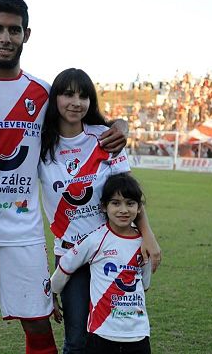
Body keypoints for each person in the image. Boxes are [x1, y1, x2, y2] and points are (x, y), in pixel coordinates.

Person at [0, 0, 154, 353]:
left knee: (38, 324)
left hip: (24, 232)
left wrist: (120, 124)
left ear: (26, 35)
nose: (5, 37)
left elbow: (88, 121)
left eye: (13, 30)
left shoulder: (43, 93)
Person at [38, 68, 160, 353]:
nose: (76, 102)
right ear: (55, 98)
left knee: (114, 336)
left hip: (113, 251)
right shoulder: (41, 144)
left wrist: (148, 237)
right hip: (71, 254)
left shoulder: (105, 138)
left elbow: (129, 194)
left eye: (83, 96)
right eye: (68, 94)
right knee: (77, 340)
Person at [51, 173, 152, 354]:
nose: (123, 210)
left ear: (139, 208)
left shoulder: (143, 243)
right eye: (116, 203)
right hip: (101, 333)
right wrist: (53, 292)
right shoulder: (95, 240)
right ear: (104, 207)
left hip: (138, 332)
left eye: (130, 203)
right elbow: (66, 264)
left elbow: (145, 282)